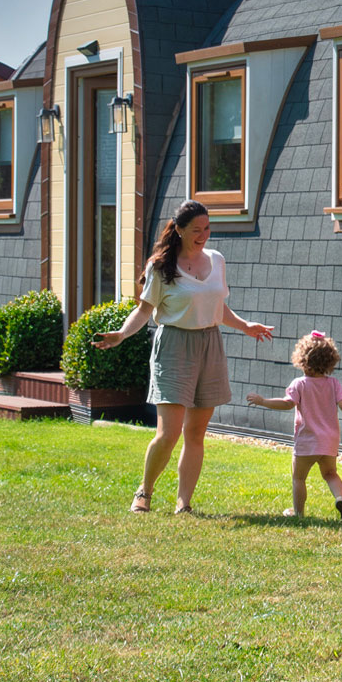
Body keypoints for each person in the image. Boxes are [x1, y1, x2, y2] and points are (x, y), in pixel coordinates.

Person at [94, 200, 274, 514]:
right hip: (174, 345)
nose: (203, 235)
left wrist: (245, 326)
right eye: (196, 230)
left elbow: (217, 306)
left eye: (207, 228)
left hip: (210, 345)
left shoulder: (216, 260)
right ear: (179, 230)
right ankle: (145, 492)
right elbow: (144, 310)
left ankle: (184, 503)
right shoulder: (162, 267)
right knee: (169, 432)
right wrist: (121, 334)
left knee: (195, 433)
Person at [246, 330, 342, 519]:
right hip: (329, 440)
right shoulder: (333, 383)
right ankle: (340, 498)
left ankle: (298, 513)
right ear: (330, 362)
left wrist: (263, 401)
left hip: (307, 439)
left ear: (302, 359)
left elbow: (287, 404)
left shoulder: (299, 384)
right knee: (330, 473)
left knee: (299, 478)